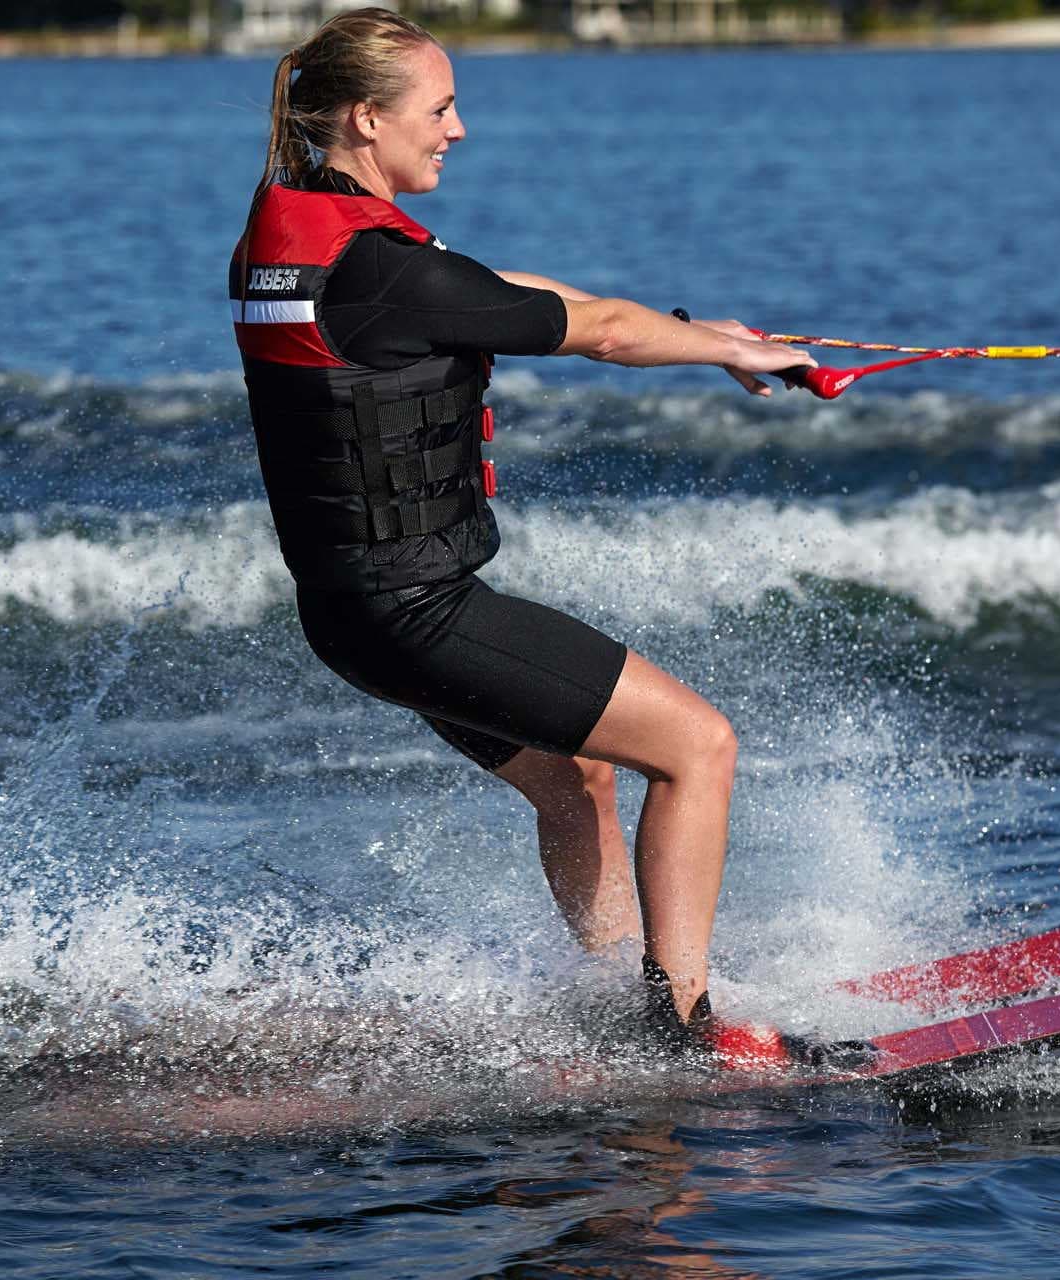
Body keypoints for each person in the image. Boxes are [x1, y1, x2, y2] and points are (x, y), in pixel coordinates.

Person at [229, 8, 818, 1063]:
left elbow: (505, 297)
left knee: (574, 775)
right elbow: (592, 330)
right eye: (440, 107)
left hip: (351, 616)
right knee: (698, 747)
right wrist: (736, 353)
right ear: (368, 118)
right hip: (422, 613)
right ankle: (684, 1030)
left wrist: (714, 338)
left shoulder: (295, 231)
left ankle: (615, 1001)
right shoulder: (385, 271)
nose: (457, 128)